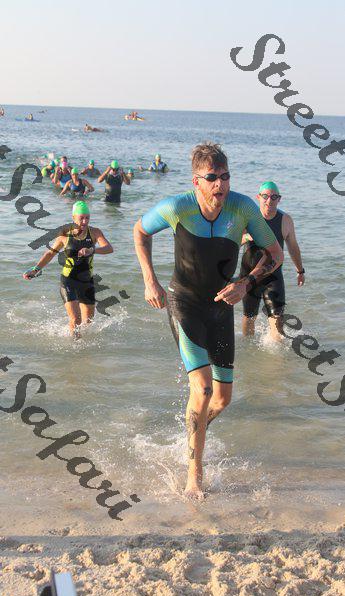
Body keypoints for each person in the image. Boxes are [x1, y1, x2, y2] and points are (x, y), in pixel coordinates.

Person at [133, 142, 283, 500]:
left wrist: (245, 283)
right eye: (212, 177)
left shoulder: (243, 208)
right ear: (196, 181)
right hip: (184, 303)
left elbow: (275, 254)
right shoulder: (178, 207)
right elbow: (139, 231)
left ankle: (193, 432)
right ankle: (194, 476)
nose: (221, 184)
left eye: (225, 176)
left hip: (220, 306)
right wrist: (149, 280)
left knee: (222, 399)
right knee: (201, 389)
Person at [23, 201, 113, 339]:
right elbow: (50, 253)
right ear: (73, 218)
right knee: (76, 319)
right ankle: (75, 346)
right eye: (81, 218)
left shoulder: (95, 232)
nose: (85, 221)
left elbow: (109, 248)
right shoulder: (64, 235)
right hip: (68, 280)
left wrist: (92, 250)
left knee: (88, 321)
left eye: (87, 217)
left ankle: (81, 343)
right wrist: (35, 269)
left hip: (86, 281)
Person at [240, 181, 305, 342]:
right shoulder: (248, 218)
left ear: (279, 199)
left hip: (273, 275)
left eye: (274, 197)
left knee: (278, 322)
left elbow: (293, 247)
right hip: (249, 276)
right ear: (258, 197)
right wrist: (247, 236)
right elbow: (233, 241)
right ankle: (249, 352)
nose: (269, 201)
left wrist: (300, 270)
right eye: (265, 196)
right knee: (249, 317)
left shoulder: (285, 220)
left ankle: (278, 356)